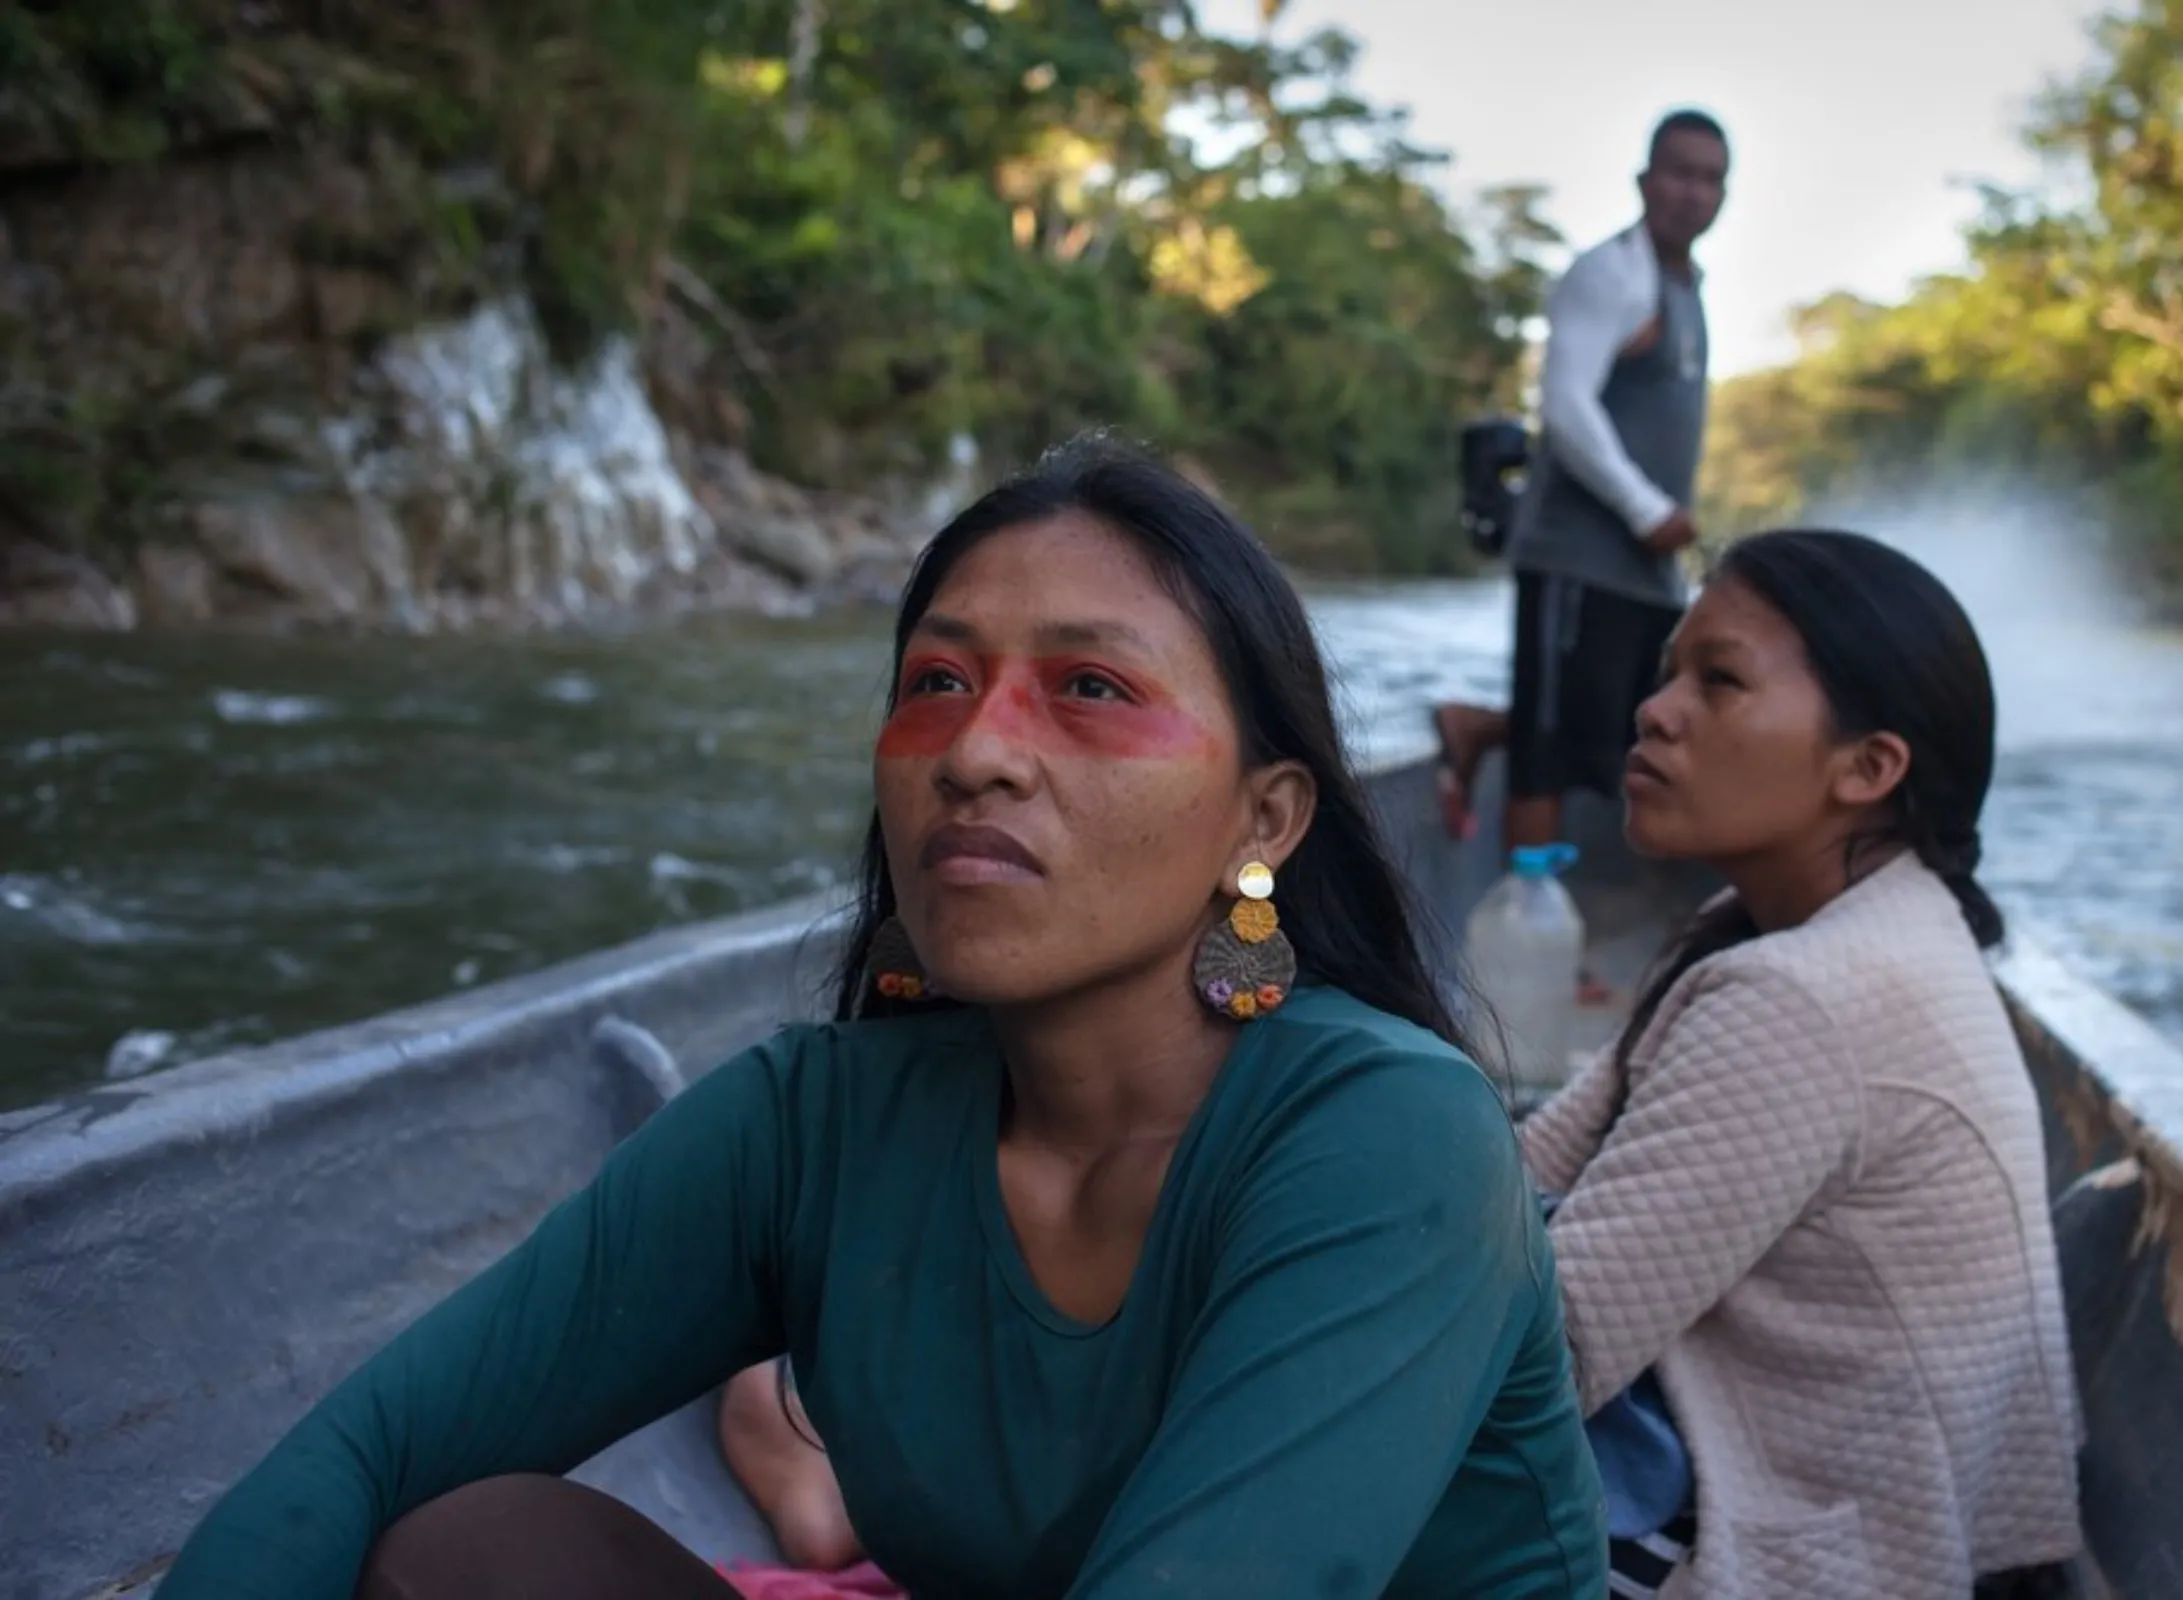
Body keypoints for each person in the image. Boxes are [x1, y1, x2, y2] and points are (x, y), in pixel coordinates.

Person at [153, 438, 1610, 1600]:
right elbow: (371, 1450)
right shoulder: (816, 1122)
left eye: (1090, 689)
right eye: (937, 683)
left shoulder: (1384, 1136)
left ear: (1265, 818)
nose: (977, 752)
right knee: (475, 1552)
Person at [1520, 529, 2085, 1598]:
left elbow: (1542, 1358)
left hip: (1834, 1557)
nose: (1656, 710)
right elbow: (1544, 1159)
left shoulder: (1809, 997)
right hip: (1868, 1513)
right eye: (1666, 674)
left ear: (1868, 767)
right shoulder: (1787, 927)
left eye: (1718, 680)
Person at [1431, 109, 1730, 888]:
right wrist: (1645, 510)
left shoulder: (1688, 287)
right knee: (1548, 754)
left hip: (1647, 569)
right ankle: (1531, 944)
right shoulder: (1611, 275)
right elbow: (1563, 407)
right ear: (1644, 180)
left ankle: (1478, 726)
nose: (1693, 192)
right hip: (1579, 555)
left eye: (1710, 178)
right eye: (1679, 172)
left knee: (1640, 724)